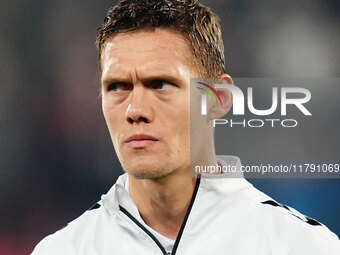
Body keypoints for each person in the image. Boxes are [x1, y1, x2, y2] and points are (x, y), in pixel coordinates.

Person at [32, 0, 340, 254]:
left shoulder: (301, 246)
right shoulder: (63, 250)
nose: (135, 110)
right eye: (117, 87)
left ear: (217, 99)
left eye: (160, 84)